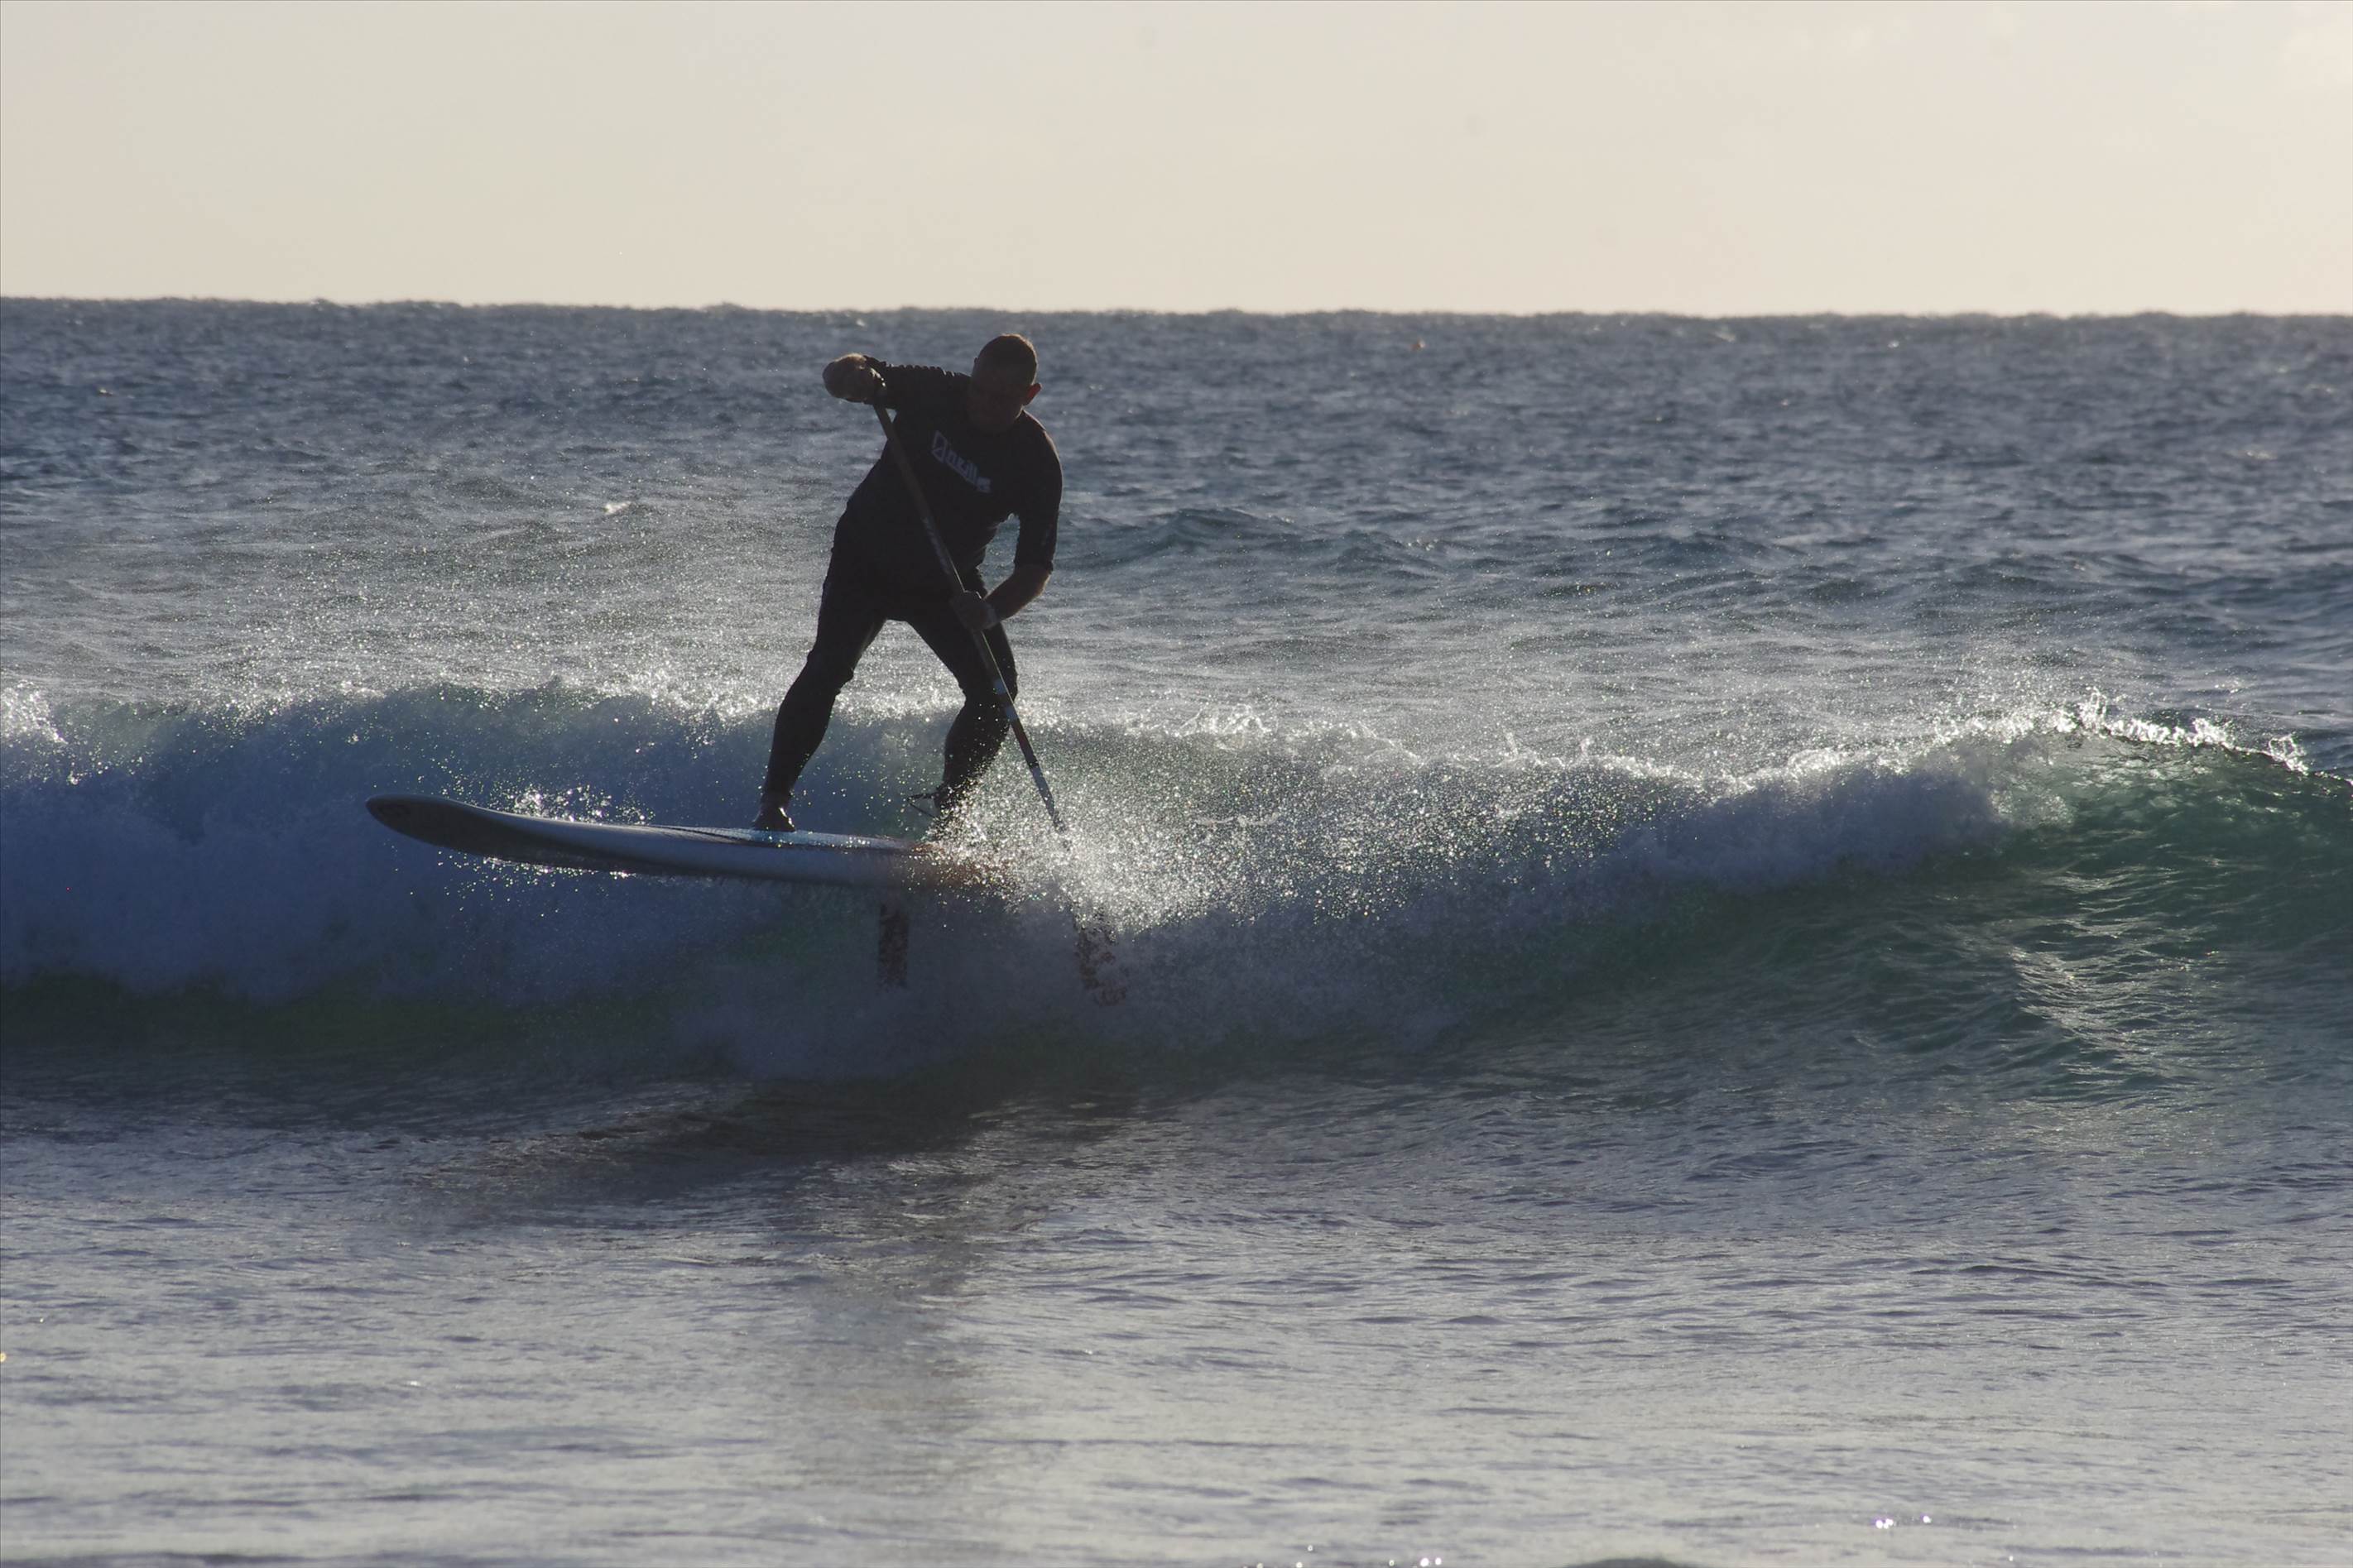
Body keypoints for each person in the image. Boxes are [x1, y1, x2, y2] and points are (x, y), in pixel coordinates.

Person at [755, 333, 1061, 832]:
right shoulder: (935, 390)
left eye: (1002, 399)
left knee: (995, 692)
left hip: (944, 581)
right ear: (972, 371)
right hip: (866, 558)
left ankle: (951, 812)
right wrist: (854, 378)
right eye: (979, 389)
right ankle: (773, 803)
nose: (983, 404)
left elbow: (1035, 569)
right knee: (829, 668)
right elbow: (840, 371)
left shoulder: (1035, 461)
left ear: (1029, 396)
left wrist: (989, 611)